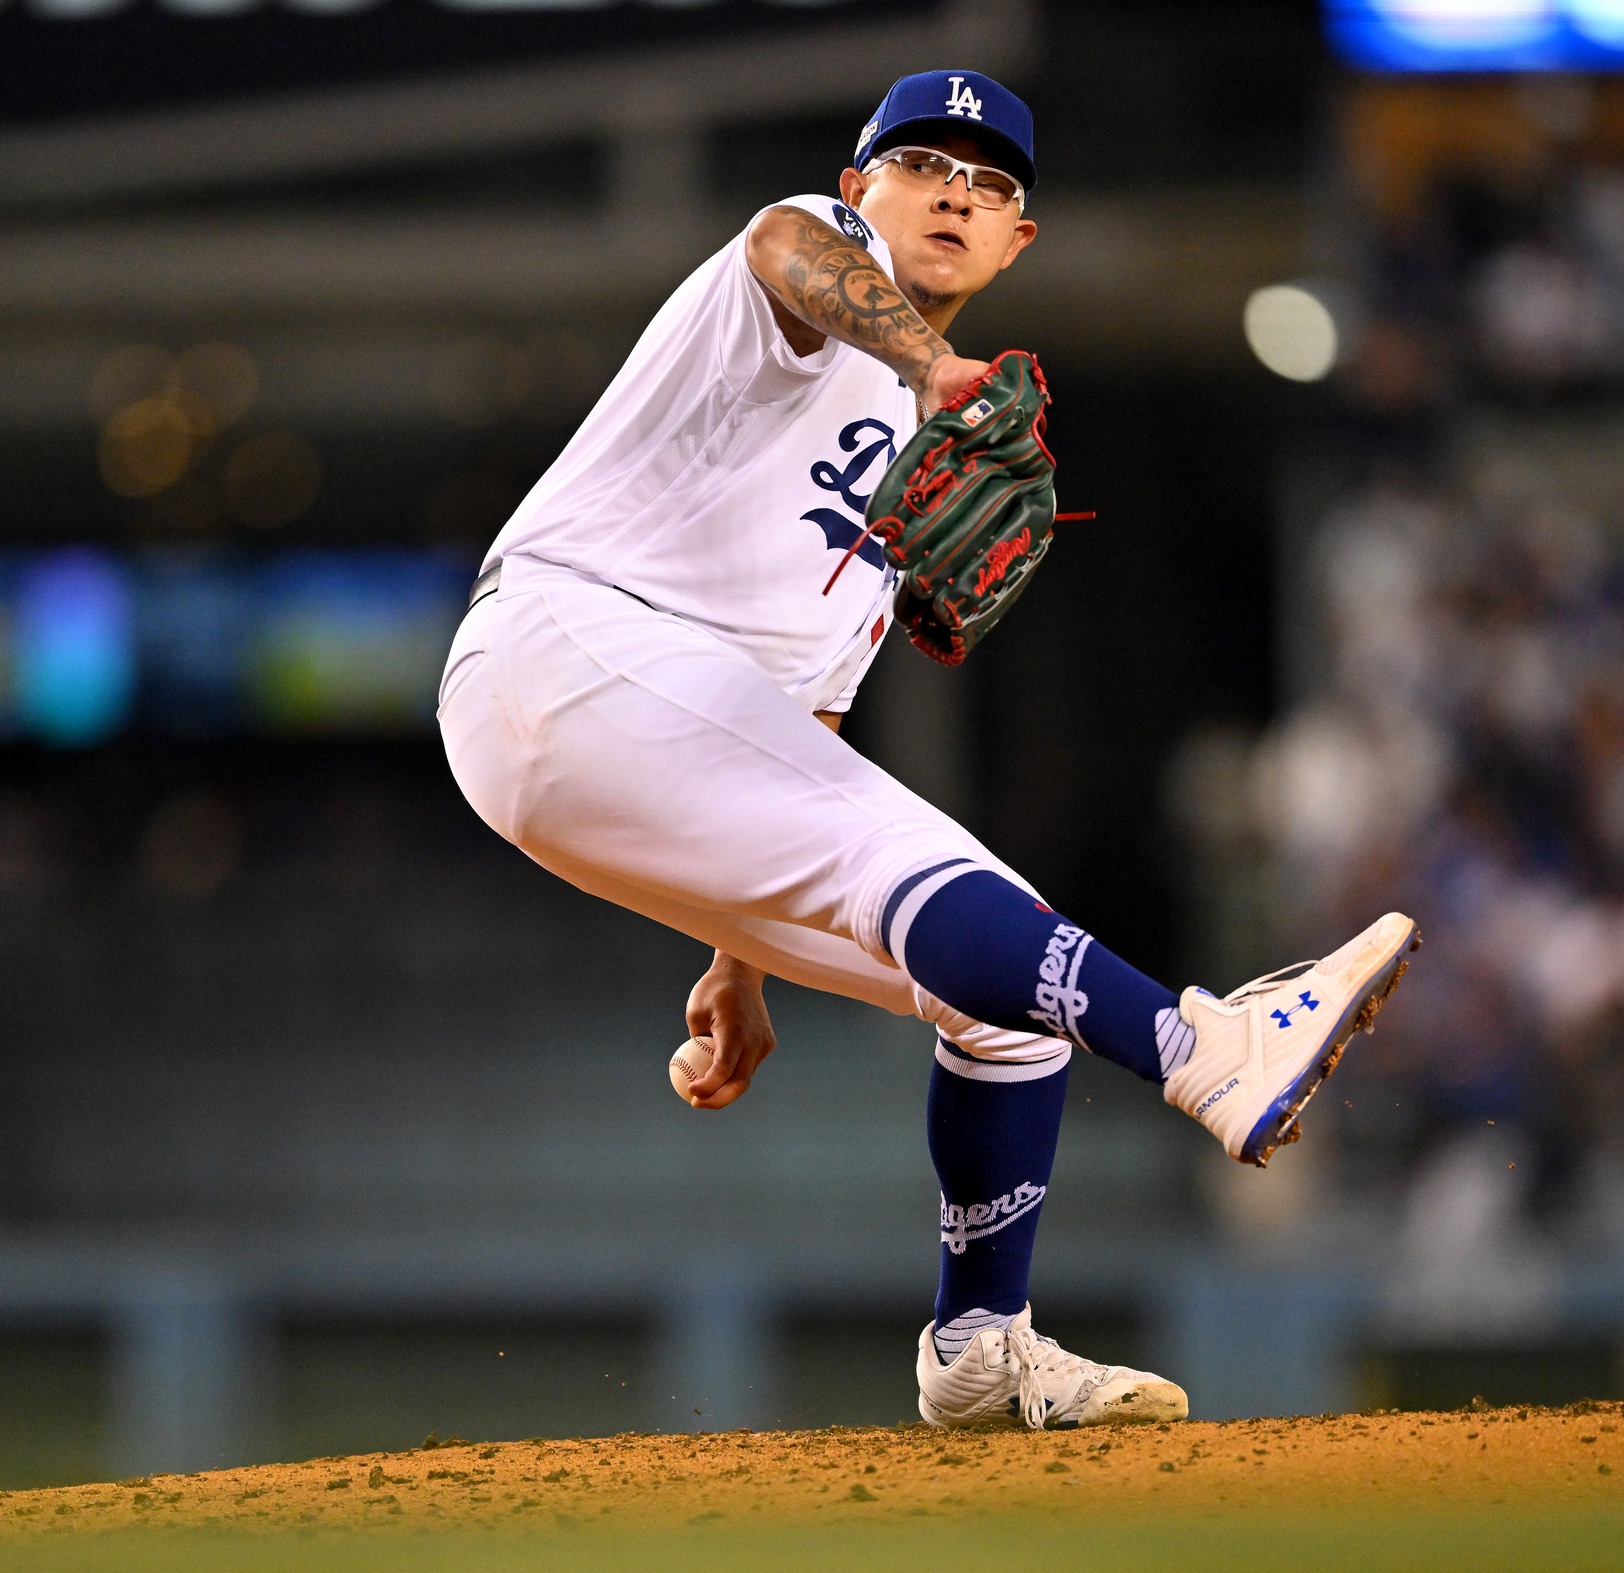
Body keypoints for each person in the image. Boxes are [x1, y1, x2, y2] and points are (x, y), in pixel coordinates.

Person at [439, 69, 1417, 1430]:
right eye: (921, 162)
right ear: (860, 189)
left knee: (1009, 993)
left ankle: (978, 1343)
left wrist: (746, 950)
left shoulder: (911, 457)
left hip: (631, 720)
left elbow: (795, 726)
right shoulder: (804, 265)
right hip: (559, 639)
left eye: (994, 182)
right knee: (954, 890)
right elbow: (791, 257)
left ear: (1021, 242)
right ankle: (1207, 1045)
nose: (957, 188)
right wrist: (933, 363)